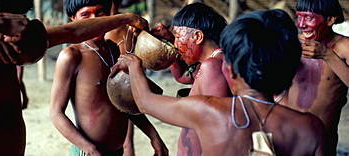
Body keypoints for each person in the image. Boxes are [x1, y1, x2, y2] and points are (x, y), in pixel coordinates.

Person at [0, 0, 149, 155]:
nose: (21, 27)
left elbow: (73, 31)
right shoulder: (70, 56)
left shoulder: (15, 44)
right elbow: (56, 112)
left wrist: (127, 18)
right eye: (11, 20)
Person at [113, 9, 327, 156]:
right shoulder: (311, 128)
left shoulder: (208, 112)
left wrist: (134, 66)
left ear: (230, 71)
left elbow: (144, 102)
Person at [50, 0, 168, 156]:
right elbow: (55, 113)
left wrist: (153, 135)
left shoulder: (113, 50)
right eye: (86, 15)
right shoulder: (72, 56)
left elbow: (124, 102)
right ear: (73, 19)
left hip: (117, 151)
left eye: (100, 13)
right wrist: (89, 149)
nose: (95, 21)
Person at [276, 0, 349, 155]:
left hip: (322, 140)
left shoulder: (344, 47)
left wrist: (327, 55)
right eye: (299, 18)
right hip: (289, 134)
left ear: (330, 19)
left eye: (308, 18)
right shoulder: (293, 43)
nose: (302, 25)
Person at [151, 2, 230, 156]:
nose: (175, 44)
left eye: (178, 37)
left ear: (198, 36)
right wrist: (169, 41)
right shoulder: (209, 63)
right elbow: (182, 77)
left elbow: (215, 126)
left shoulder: (212, 67)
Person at [103, 0, 136, 156]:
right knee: (127, 137)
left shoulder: (111, 26)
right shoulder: (128, 25)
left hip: (117, 79)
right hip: (129, 77)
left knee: (124, 138)